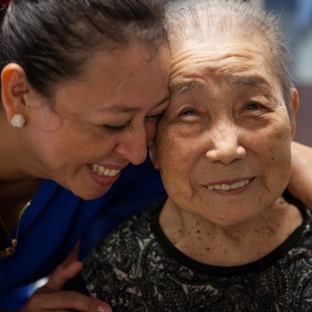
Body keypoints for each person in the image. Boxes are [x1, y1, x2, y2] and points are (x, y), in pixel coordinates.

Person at [64, 1, 312, 311]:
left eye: (253, 107)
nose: (226, 149)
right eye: (189, 113)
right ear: (151, 142)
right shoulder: (105, 280)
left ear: (291, 116)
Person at [0, 0, 170, 311]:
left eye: (154, 115)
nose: (136, 153)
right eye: (113, 124)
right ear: (19, 93)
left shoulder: (137, 169)